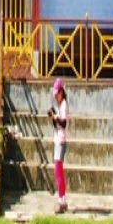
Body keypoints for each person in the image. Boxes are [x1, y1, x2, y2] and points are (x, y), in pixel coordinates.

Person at [49, 77, 69, 213]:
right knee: (58, 170)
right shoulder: (60, 106)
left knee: (58, 169)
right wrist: (53, 118)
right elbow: (57, 124)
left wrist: (56, 118)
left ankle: (62, 199)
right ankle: (61, 198)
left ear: (61, 92)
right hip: (58, 139)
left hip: (61, 140)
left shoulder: (64, 105)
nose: (56, 97)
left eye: (57, 94)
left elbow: (64, 124)